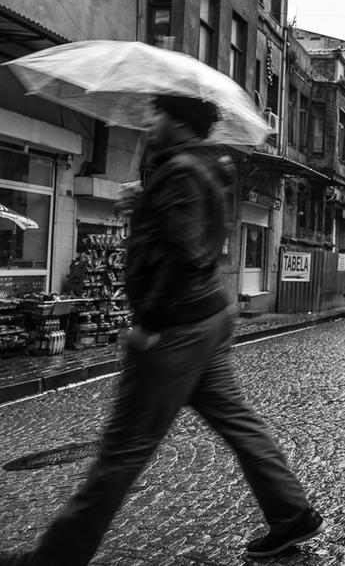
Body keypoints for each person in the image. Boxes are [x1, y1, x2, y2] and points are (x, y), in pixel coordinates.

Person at [5, 95, 326, 566]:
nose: (151, 122)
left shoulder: (180, 173)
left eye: (158, 114)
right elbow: (187, 238)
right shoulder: (199, 168)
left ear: (177, 123)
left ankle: (55, 558)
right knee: (235, 419)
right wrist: (146, 204)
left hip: (177, 326)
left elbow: (187, 254)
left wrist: (153, 324)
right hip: (207, 317)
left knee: (123, 449)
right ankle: (291, 512)